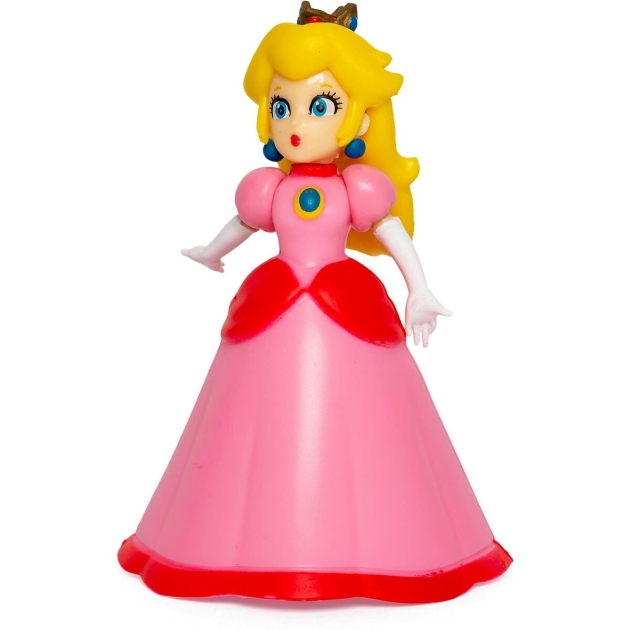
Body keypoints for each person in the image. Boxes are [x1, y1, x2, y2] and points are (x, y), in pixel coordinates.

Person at [117, 3, 512, 602]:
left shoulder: (359, 188)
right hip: (274, 303)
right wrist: (210, 251)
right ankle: (237, 537)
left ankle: (378, 540)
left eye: (318, 105)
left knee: (370, 423)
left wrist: (420, 289)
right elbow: (240, 226)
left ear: (356, 116)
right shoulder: (268, 187)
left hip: (343, 304)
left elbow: (392, 234)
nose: (297, 123)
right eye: (282, 106)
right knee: (249, 421)